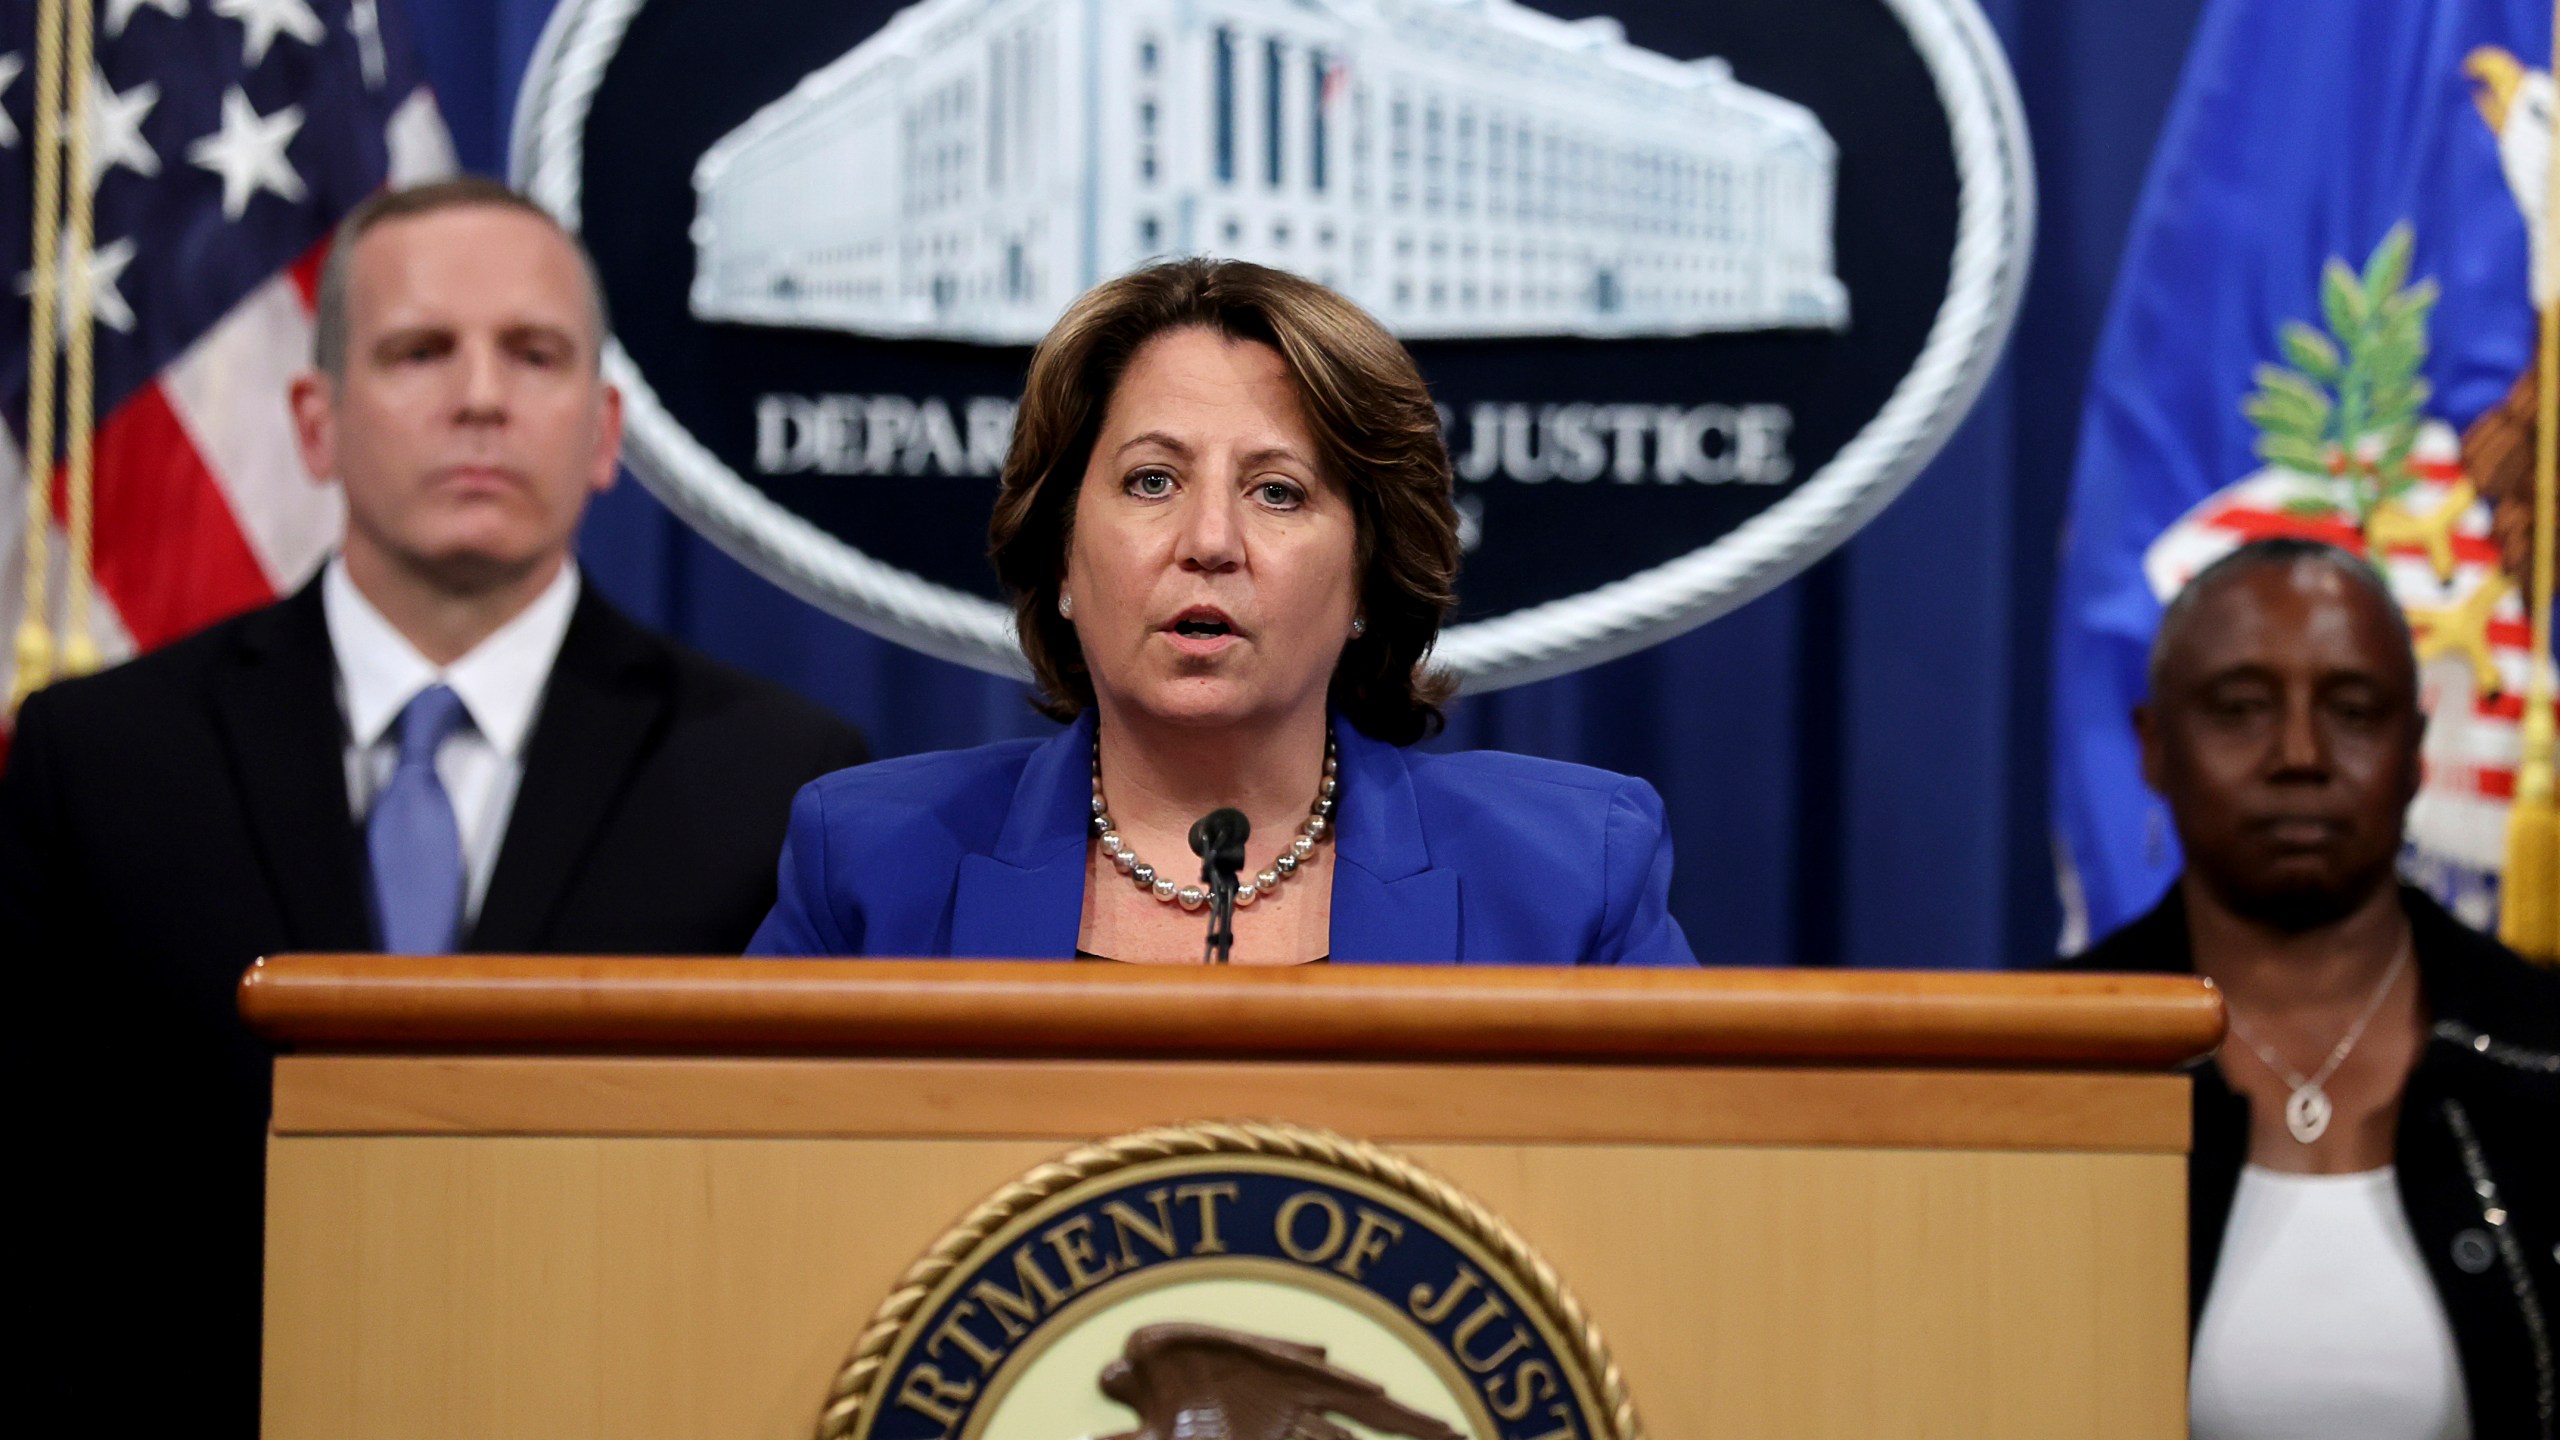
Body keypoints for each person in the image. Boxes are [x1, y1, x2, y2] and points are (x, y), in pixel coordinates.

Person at [0, 178, 866, 1434]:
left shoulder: (775, 778)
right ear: (314, 421)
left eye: (533, 353)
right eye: (418, 352)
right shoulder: (103, 756)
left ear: (606, 426)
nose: (479, 397)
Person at [750, 258, 1694, 965]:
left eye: (1278, 492)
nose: (1209, 539)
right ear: (1064, 558)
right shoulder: (869, 866)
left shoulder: (1570, 878)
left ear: (1369, 572)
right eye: (1151, 480)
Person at [2066, 537, 2557, 1440]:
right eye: (2242, 708)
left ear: (2414, 749)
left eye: (2354, 710)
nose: (2300, 754)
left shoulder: (2541, 1058)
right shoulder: (2046, 1063)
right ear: (2154, 747)